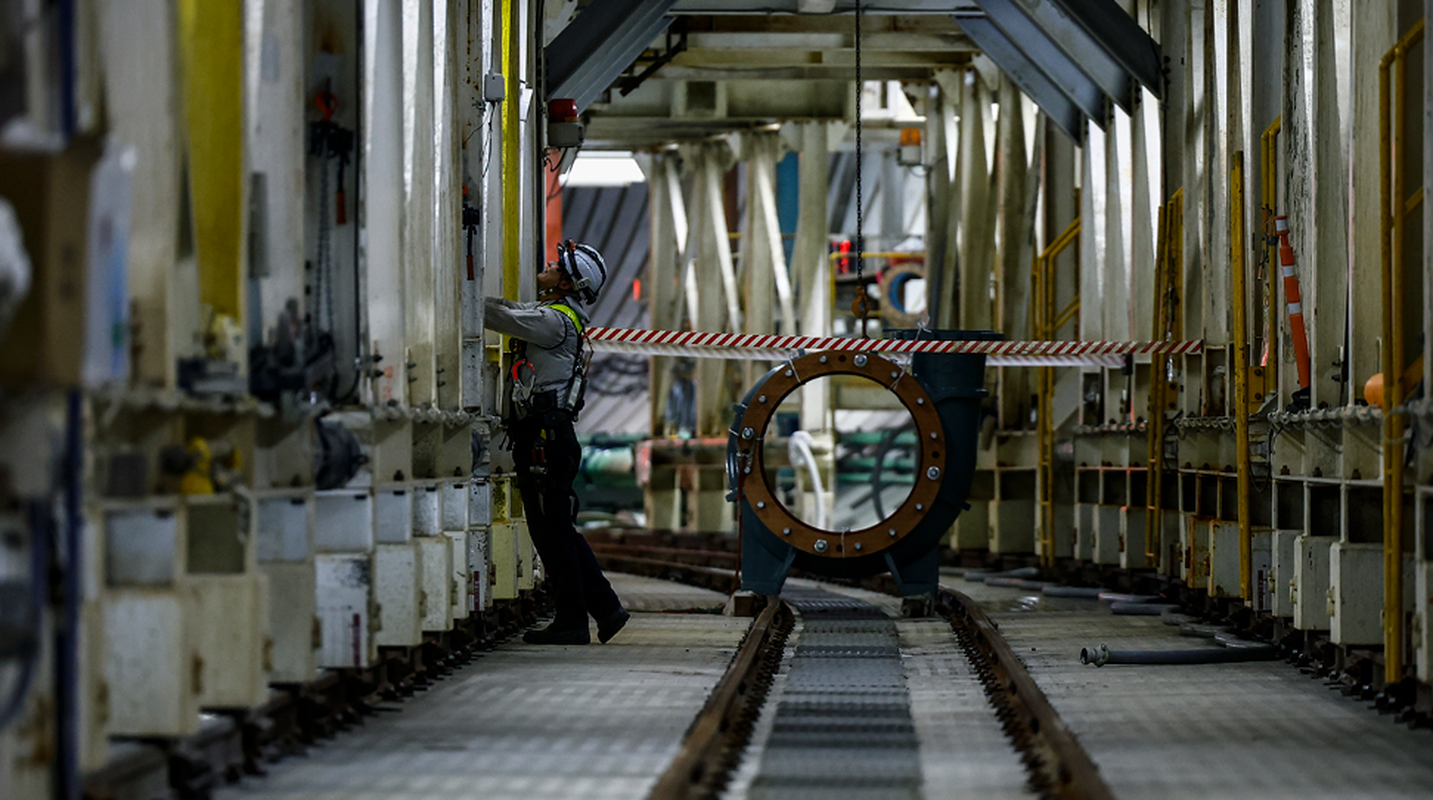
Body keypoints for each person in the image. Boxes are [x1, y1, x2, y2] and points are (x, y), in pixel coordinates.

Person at [484, 239, 630, 645]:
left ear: (567, 284)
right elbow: (513, 311)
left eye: (555, 265)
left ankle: (573, 623)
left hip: (546, 439)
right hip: (548, 438)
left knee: (554, 534)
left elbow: (493, 314)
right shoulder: (557, 316)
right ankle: (605, 610)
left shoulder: (554, 322)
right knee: (556, 531)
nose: (546, 266)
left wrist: (457, 288)